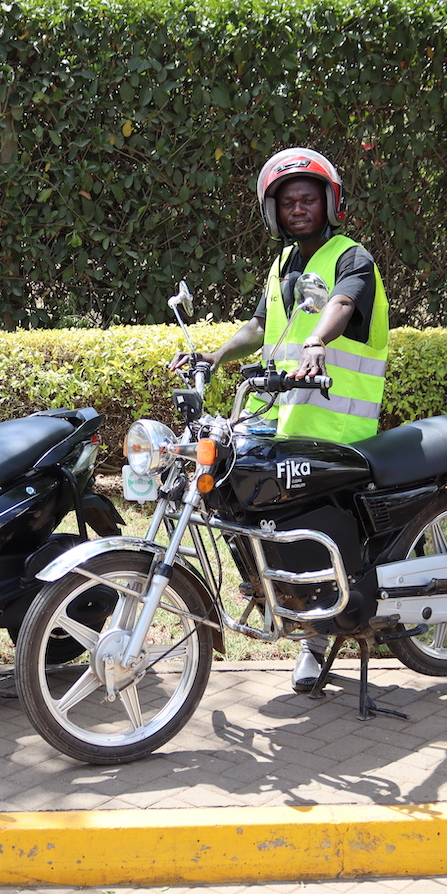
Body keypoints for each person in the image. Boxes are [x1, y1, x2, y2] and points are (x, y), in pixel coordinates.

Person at [170, 147, 390, 694]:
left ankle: (315, 640)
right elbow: (259, 327)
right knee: (227, 482)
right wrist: (214, 357)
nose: (298, 207)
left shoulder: (352, 258)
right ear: (274, 211)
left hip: (335, 425)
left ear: (329, 203)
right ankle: (264, 585)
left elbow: (342, 304)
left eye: (307, 198)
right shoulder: (283, 265)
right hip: (282, 419)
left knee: (312, 534)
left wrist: (316, 342)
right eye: (288, 201)